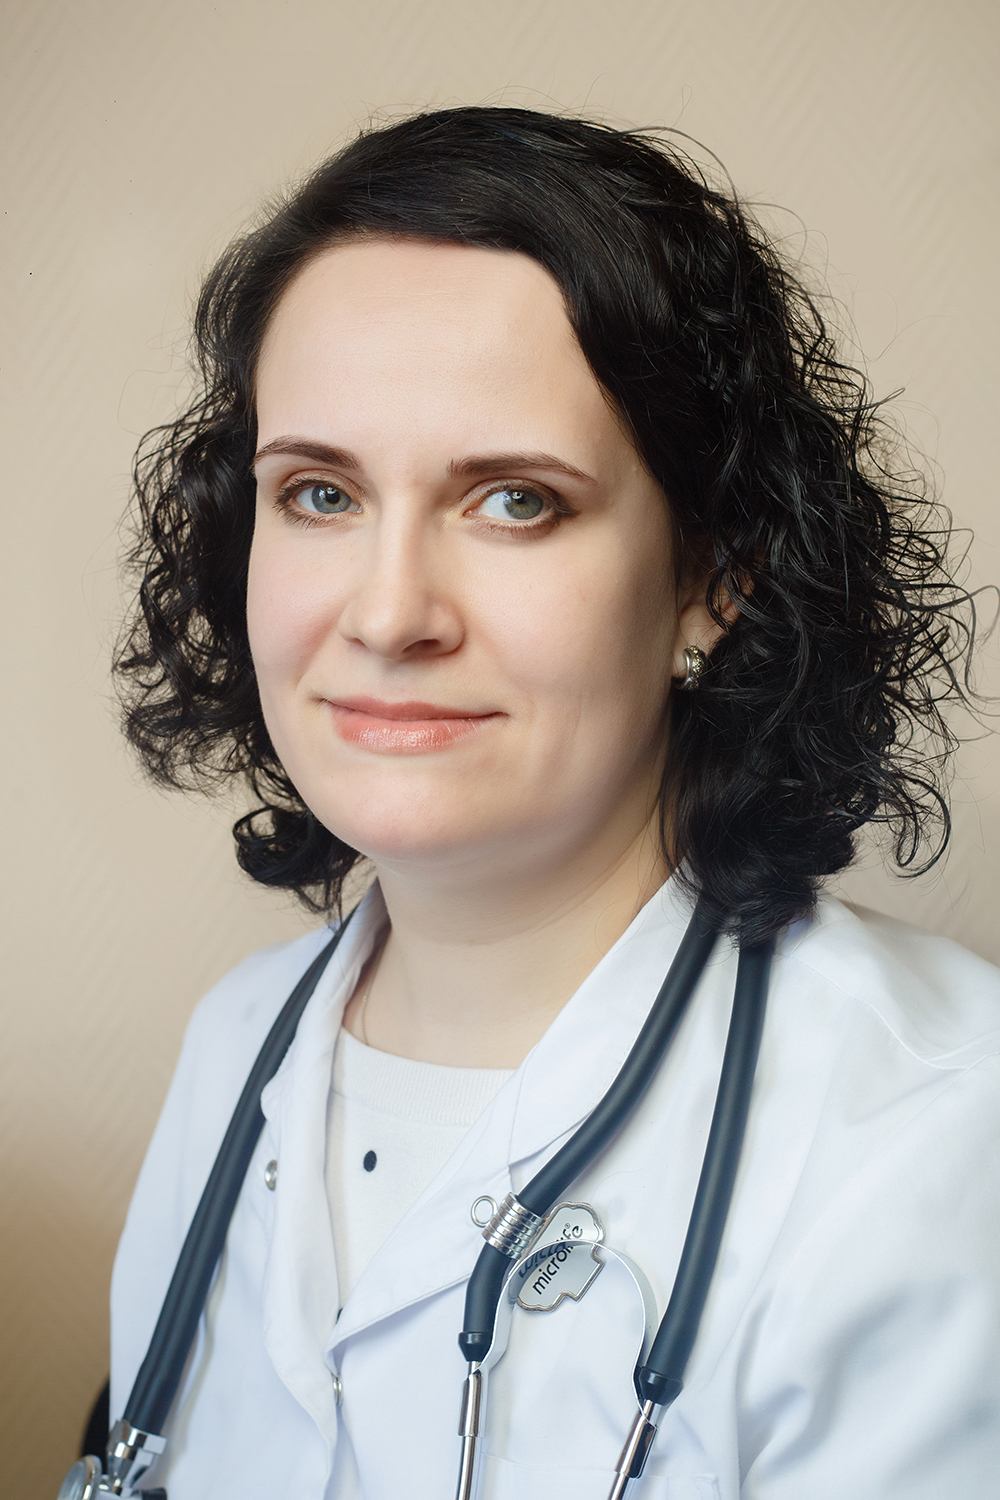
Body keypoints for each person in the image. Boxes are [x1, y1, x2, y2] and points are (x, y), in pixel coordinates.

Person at [106, 106, 1000, 1499]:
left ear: (714, 576)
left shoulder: (937, 1127)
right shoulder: (238, 1048)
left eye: (515, 501)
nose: (388, 613)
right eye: (321, 493)